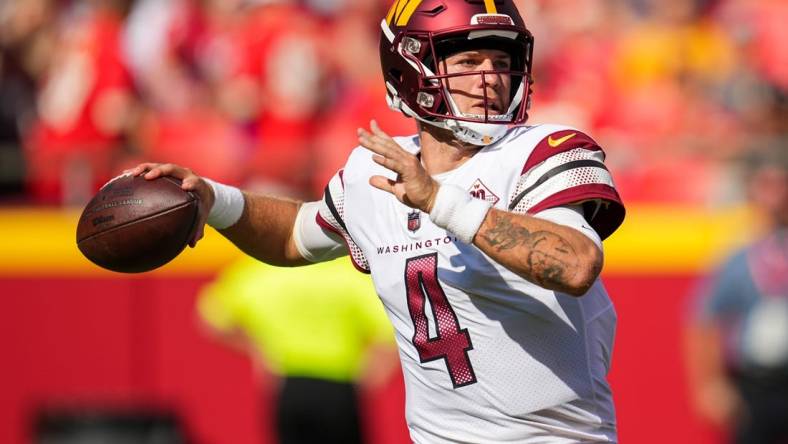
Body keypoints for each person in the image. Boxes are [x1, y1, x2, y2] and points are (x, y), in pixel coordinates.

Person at [127, 1, 626, 441]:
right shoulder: (374, 169)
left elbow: (575, 263)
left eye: (502, 60)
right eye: (469, 60)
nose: (490, 77)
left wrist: (438, 200)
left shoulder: (543, 152)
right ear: (409, 69)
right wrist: (215, 200)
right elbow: (295, 235)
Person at [197, 256, 398, 444]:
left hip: (289, 387)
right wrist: (372, 373)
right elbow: (391, 329)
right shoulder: (345, 273)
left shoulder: (263, 271)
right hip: (339, 388)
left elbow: (212, 316)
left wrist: (259, 351)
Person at [685, 142, 788, 444]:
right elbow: (702, 320)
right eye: (768, 185)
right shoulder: (739, 258)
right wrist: (710, 385)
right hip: (754, 384)